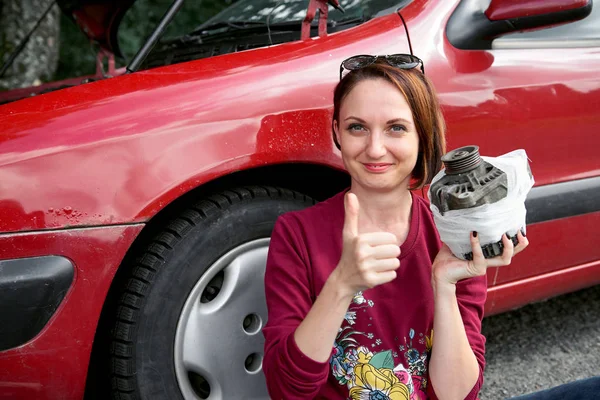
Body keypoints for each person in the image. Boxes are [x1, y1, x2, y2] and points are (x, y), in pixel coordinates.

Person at [262, 54, 528, 400]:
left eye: (396, 128)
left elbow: (456, 395)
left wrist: (445, 284)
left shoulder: (453, 232)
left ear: (423, 135)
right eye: (357, 127)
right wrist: (341, 285)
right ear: (337, 132)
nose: (374, 149)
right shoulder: (297, 234)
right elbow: (286, 391)